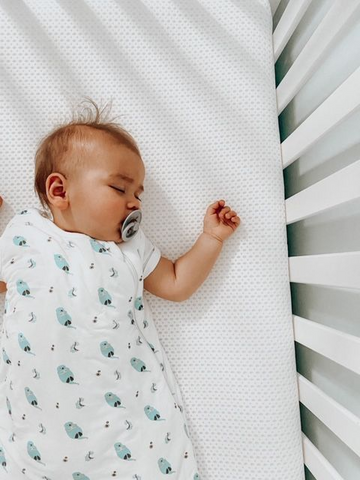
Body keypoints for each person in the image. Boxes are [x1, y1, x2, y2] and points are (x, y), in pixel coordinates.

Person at [0, 99, 240, 479]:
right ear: (59, 190)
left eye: (139, 194)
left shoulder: (129, 250)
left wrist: (211, 238)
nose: (134, 203)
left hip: (116, 421)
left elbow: (177, 283)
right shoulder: (25, 232)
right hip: (39, 423)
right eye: (119, 187)